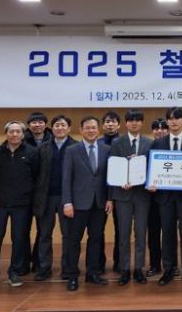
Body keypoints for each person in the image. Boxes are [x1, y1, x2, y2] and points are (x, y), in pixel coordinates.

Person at [0, 121, 40, 291]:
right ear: (6, 133)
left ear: (23, 134)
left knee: (19, 238)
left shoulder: (32, 152)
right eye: (11, 131)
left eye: (18, 131)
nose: (14, 134)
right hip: (0, 202)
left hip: (22, 203)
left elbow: (35, 176)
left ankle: (14, 271)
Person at [149, 107, 182, 286]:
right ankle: (168, 269)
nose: (174, 121)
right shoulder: (158, 143)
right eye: (170, 119)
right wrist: (152, 182)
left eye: (177, 118)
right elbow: (153, 168)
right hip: (165, 197)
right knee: (167, 234)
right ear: (167, 122)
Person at [62, 116, 112, 291]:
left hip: (99, 203)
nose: (91, 131)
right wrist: (67, 202)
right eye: (87, 128)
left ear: (98, 130)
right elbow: (66, 178)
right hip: (77, 204)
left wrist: (110, 198)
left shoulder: (107, 149)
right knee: (74, 240)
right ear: (81, 130)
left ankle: (93, 273)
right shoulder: (72, 150)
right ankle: (72, 275)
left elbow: (110, 177)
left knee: (96, 239)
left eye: (93, 128)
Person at [109, 109, 154, 286]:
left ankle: (139, 269)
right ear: (126, 123)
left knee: (141, 233)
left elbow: (153, 168)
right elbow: (112, 167)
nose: (134, 123)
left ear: (142, 123)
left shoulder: (149, 143)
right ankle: (125, 269)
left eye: (137, 120)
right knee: (123, 234)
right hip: (122, 194)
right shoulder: (116, 142)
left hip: (142, 195)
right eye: (130, 120)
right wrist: (120, 181)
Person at [32, 115, 77, 281]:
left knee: (68, 235)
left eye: (63, 125)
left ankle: (68, 267)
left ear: (69, 128)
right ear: (52, 128)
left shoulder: (76, 147)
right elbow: (36, 173)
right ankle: (44, 268)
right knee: (44, 234)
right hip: (47, 197)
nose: (60, 128)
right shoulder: (42, 147)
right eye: (57, 125)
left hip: (68, 198)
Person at [22, 111, 51, 275]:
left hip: (44, 193)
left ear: (45, 124)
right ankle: (23, 263)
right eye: (34, 122)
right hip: (25, 192)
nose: (37, 125)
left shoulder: (52, 140)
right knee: (23, 230)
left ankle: (39, 262)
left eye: (41, 122)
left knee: (43, 230)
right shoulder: (22, 140)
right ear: (29, 125)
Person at [145, 118, 168, 278]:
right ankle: (155, 264)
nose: (159, 131)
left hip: (170, 198)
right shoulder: (147, 147)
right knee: (153, 233)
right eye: (156, 128)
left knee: (169, 233)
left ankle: (171, 264)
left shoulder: (174, 147)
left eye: (163, 128)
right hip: (151, 198)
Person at [101, 110, 122, 274]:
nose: (110, 124)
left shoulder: (124, 142)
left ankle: (120, 262)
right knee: (97, 230)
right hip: (100, 193)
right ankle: (98, 263)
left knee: (120, 229)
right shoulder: (97, 143)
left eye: (113, 121)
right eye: (107, 121)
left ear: (119, 125)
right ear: (103, 125)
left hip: (120, 192)